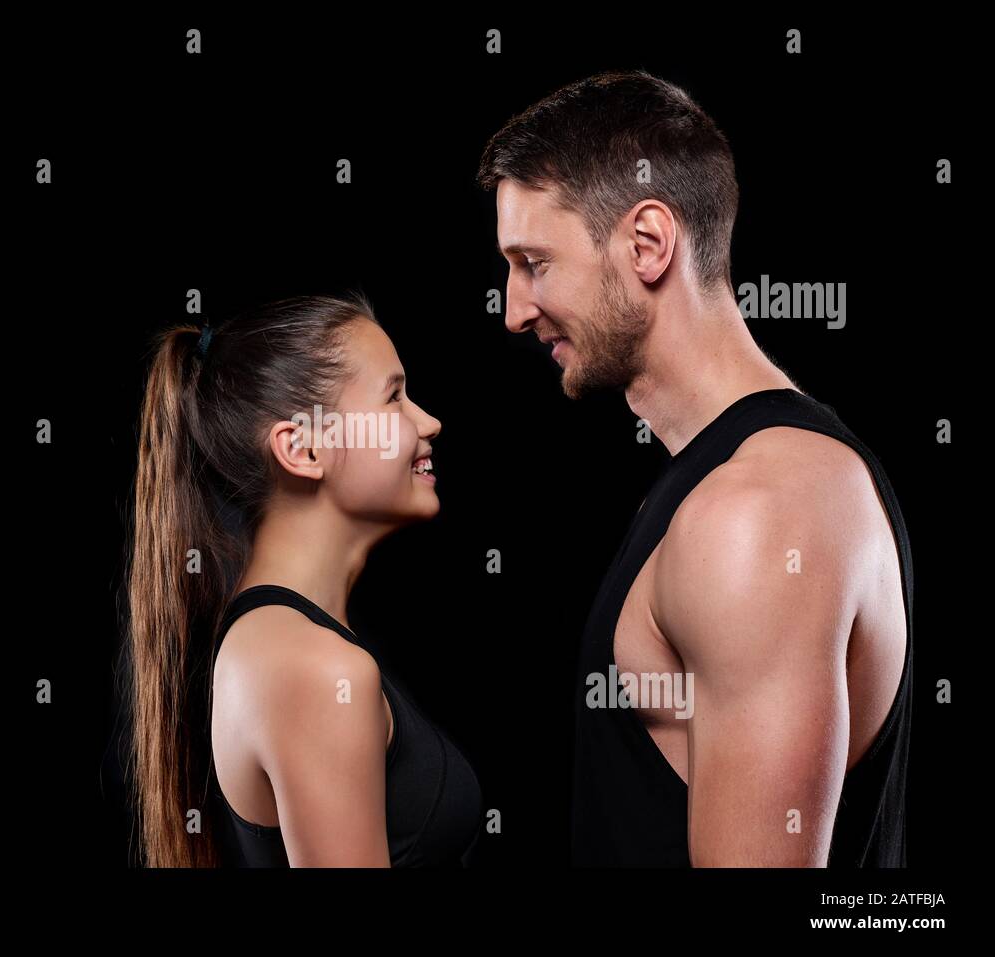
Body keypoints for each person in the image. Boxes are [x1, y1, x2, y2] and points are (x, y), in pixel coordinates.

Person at [478, 70, 913, 866]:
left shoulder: (760, 508)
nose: (513, 309)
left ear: (647, 244)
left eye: (534, 262)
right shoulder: (728, 481)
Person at [123, 292, 483, 867]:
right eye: (393, 398)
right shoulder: (312, 668)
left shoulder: (287, 646)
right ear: (303, 448)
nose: (428, 421)